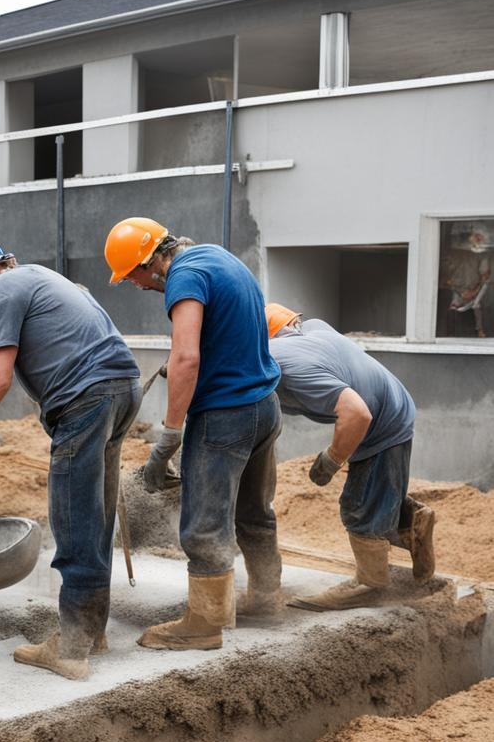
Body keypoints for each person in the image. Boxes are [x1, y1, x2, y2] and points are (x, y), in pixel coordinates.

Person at [0, 233, 141, 680]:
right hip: (121, 388)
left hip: (86, 398)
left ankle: (70, 648)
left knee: (73, 517)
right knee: (97, 514)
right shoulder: (44, 279)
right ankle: (92, 633)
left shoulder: (3, 289)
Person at [104, 217, 282, 651]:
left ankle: (203, 624)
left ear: (150, 263)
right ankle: (266, 598)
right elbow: (230, 329)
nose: (139, 287)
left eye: (134, 278)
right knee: (254, 512)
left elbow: (186, 357)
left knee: (204, 523)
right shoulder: (215, 256)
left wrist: (169, 435)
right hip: (264, 406)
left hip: (225, 416)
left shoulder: (183, 278)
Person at [265, 303, 435, 609]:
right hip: (393, 405)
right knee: (375, 496)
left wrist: (332, 459)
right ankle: (412, 524)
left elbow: (356, 414)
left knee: (358, 507)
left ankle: (370, 583)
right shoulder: (314, 330)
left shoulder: (284, 359)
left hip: (381, 422)